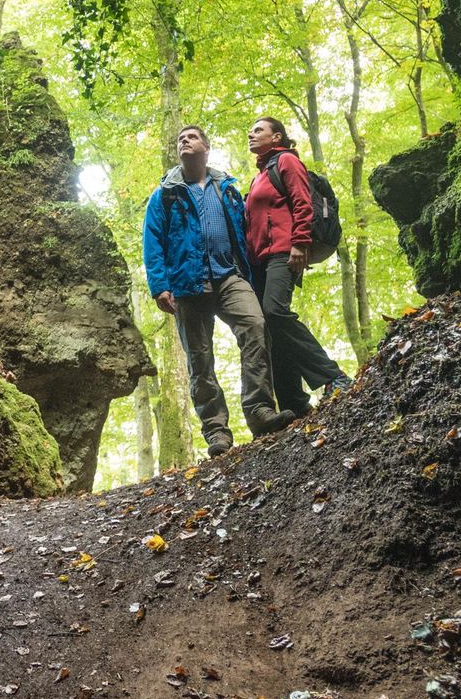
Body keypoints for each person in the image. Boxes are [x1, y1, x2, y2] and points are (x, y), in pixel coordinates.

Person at [144, 124, 296, 457]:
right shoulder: (165, 194)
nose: (184, 141)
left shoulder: (226, 189)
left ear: (206, 147)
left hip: (230, 276)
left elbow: (246, 229)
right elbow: (152, 241)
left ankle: (259, 410)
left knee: (255, 326)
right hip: (187, 283)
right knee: (200, 358)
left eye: (192, 137)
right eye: (180, 138)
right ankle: (216, 431)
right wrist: (159, 286)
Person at [244, 116, 354, 414]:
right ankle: (293, 402)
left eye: (258, 130)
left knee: (275, 312)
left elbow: (302, 202)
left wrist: (300, 242)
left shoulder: (287, 161)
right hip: (261, 261)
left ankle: (333, 376)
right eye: (250, 131)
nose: (251, 134)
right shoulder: (260, 175)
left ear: (276, 137)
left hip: (284, 251)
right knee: (270, 328)